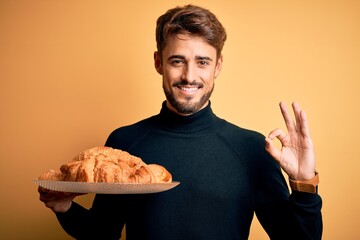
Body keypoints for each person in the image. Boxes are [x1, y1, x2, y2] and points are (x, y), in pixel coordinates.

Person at [38, 4, 322, 239]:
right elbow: (102, 233)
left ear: (218, 66)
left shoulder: (252, 149)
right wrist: (65, 207)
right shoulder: (124, 145)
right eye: (177, 61)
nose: (189, 76)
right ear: (158, 62)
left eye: (202, 62)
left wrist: (304, 182)